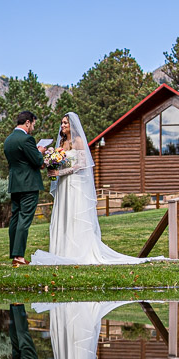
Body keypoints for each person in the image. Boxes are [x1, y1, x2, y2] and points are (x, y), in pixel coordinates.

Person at [31, 112, 147, 265]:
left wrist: (61, 172)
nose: (63, 125)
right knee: (64, 215)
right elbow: (59, 161)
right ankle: (61, 251)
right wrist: (51, 164)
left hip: (74, 183)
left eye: (66, 123)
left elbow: (81, 164)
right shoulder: (61, 144)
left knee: (74, 215)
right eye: (62, 123)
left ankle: (77, 251)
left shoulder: (78, 141)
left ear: (72, 125)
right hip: (62, 185)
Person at [1, 111, 49, 267]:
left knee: (15, 219)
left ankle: (14, 254)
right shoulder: (27, 139)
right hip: (28, 184)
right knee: (24, 219)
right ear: (27, 122)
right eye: (33, 124)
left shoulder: (8, 140)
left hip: (15, 184)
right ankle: (19, 257)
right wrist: (40, 151)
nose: (33, 128)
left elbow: (20, 160)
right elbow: (37, 161)